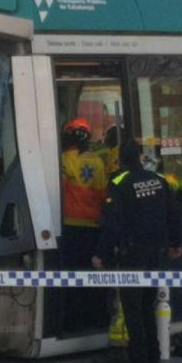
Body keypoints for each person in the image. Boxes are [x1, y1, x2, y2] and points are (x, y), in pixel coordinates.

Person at [92, 141, 182, 363]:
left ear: (121, 160)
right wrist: (175, 243)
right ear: (141, 157)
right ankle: (153, 357)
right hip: (156, 253)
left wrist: (101, 254)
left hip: (132, 254)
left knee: (132, 309)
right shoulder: (158, 179)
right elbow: (174, 213)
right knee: (147, 305)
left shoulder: (119, 183)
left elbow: (112, 223)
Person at [59, 117, 109, 331]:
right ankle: (95, 319)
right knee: (92, 277)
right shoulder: (97, 162)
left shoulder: (63, 160)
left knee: (71, 277)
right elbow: (104, 195)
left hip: (70, 226)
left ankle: (73, 321)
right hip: (94, 227)